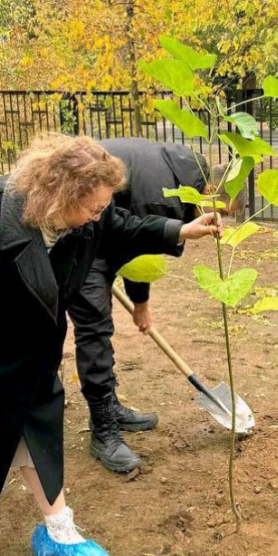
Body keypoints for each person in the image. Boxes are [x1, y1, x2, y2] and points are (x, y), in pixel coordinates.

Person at [0, 134, 222, 556]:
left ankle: (57, 533)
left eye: (102, 206)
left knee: (36, 430)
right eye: (93, 207)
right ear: (60, 196)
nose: (98, 215)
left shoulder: (86, 219)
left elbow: (118, 225)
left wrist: (179, 230)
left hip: (24, 345)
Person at [67, 138, 237, 473]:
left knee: (99, 327)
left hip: (105, 225)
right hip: (79, 234)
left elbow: (129, 233)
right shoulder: (162, 197)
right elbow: (137, 246)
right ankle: (104, 431)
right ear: (210, 190)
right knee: (95, 329)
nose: (219, 219)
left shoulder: (188, 167)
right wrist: (141, 304)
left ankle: (111, 406)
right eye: (219, 210)